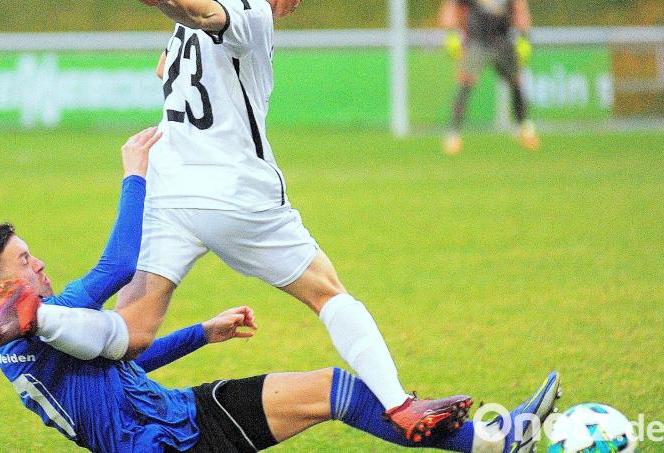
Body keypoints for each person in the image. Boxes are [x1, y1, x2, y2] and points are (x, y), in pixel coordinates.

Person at [0, 129, 561, 453]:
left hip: (178, 417)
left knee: (336, 389)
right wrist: (135, 175)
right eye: (26, 261)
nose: (41, 263)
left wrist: (202, 333)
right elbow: (118, 265)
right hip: (167, 444)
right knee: (337, 392)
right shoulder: (43, 318)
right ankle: (497, 442)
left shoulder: (22, 342)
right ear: (3, 288)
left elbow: (121, 359)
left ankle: (499, 441)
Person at [37, 0, 475, 440]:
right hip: (235, 194)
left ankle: (35, 322)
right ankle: (399, 404)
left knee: (131, 333)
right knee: (327, 292)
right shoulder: (251, 13)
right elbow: (209, 16)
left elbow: (165, 64)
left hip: (169, 189)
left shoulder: (201, 23)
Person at [439, 0, 539, 155]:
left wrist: (524, 36)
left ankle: (524, 128)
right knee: (465, 82)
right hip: (477, 41)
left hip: (503, 41)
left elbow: (519, 8)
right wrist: (451, 34)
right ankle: (454, 134)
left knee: (516, 82)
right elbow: (453, 7)